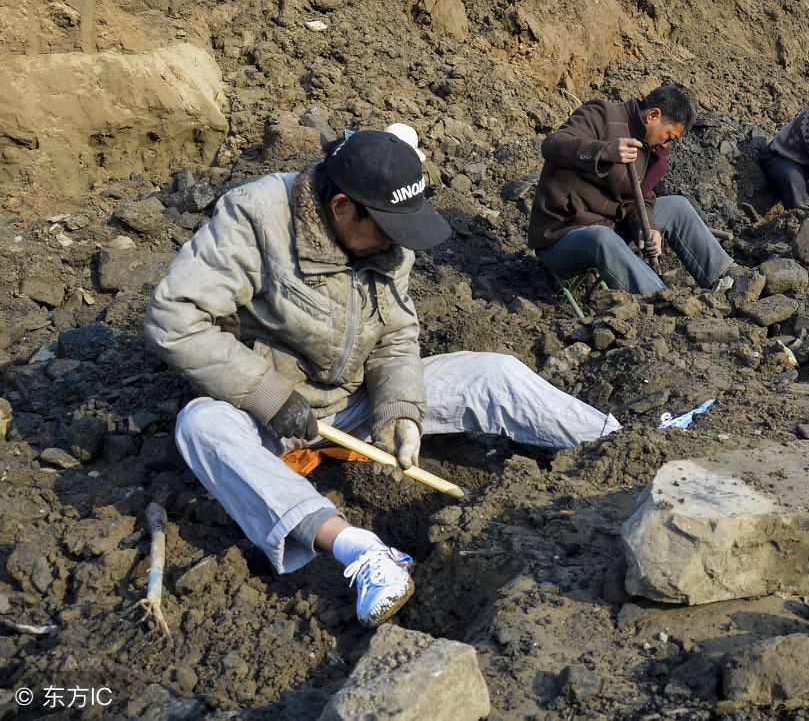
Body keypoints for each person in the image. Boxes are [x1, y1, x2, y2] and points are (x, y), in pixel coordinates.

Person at [145, 130, 620, 628]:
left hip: (352, 403)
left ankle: (618, 447)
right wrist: (267, 395)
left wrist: (399, 409)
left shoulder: (391, 236)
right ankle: (360, 550)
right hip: (264, 418)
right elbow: (174, 317)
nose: (398, 241)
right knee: (200, 425)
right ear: (343, 207)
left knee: (491, 373)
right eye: (388, 229)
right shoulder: (256, 217)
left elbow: (396, 330)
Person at [529, 83, 734, 296]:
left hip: (610, 228)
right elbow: (552, 145)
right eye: (669, 136)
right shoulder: (602, 115)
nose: (666, 145)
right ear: (653, 115)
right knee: (601, 237)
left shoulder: (653, 151)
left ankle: (727, 279)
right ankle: (660, 301)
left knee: (678, 207)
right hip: (562, 235)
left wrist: (648, 228)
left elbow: (636, 199)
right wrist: (604, 151)